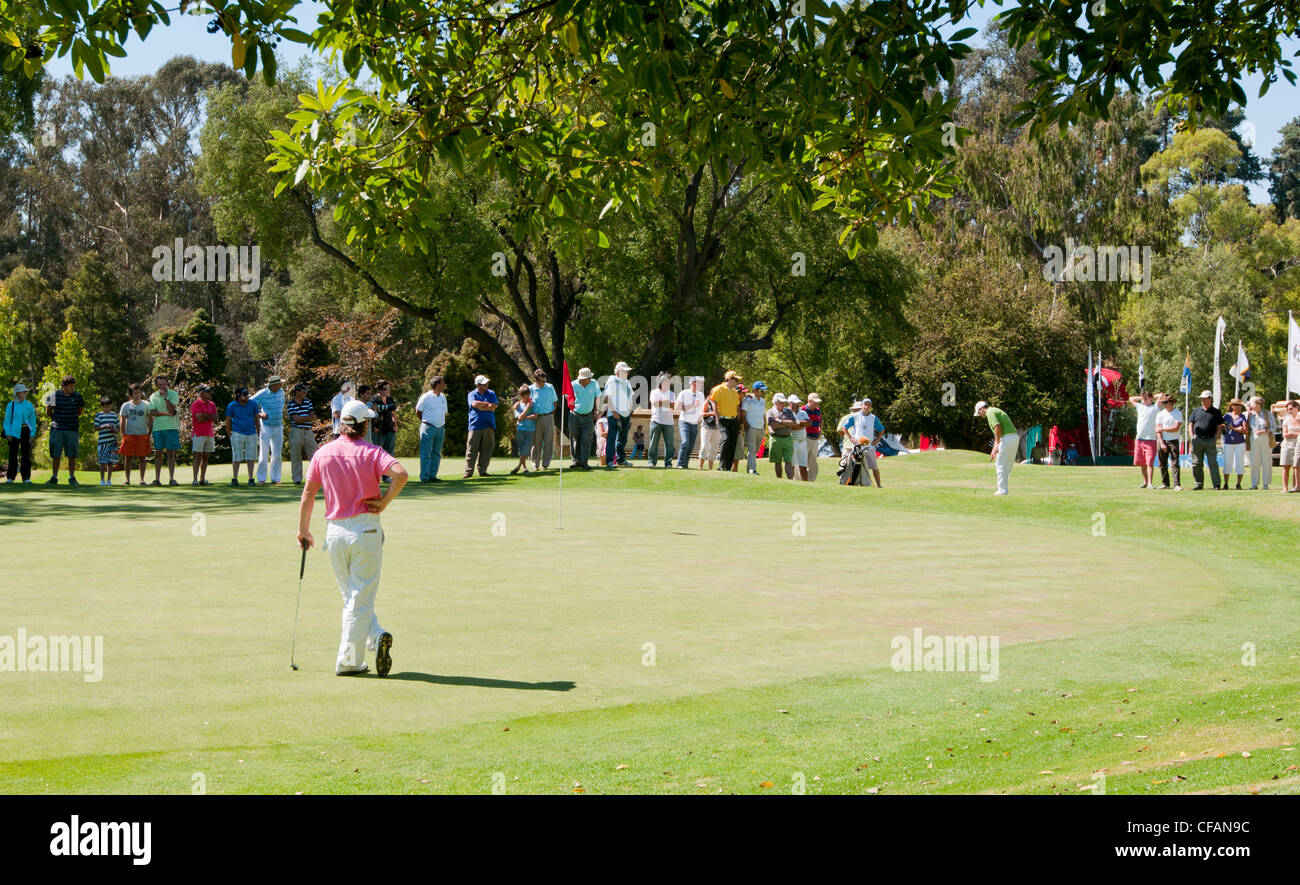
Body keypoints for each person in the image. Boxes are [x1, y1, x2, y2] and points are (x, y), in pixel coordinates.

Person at [298, 399, 408, 676]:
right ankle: (349, 660)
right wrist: (383, 502)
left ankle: (373, 636)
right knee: (359, 598)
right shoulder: (372, 452)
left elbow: (308, 494)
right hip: (366, 529)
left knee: (352, 597)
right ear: (364, 425)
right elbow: (401, 474)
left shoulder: (323, 453)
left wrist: (303, 530)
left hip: (335, 531)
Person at [44, 374, 85, 486]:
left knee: (72, 455)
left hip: (72, 429)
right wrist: (56, 420)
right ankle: (54, 478)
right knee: (56, 455)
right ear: (63, 386)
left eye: (73, 386)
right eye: (71, 386)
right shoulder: (53, 396)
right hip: (57, 429)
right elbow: (48, 412)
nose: (73, 388)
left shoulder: (78, 396)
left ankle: (72, 478)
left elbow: (79, 412)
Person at [974, 400, 1018, 496]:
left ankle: (1002, 490)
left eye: (979, 412)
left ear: (982, 408)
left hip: (1007, 438)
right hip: (1014, 437)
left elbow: (997, 427)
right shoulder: (994, 410)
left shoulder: (990, 412)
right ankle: (1004, 489)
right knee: (1007, 465)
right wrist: (996, 445)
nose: (979, 414)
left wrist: (997, 443)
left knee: (1000, 463)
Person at [251, 375, 286, 484]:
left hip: (278, 426)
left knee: (277, 454)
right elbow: (250, 403)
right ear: (273, 385)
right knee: (263, 453)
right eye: (279, 383)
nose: (281, 385)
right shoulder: (262, 393)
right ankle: (261, 478)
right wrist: (260, 414)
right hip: (266, 427)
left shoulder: (281, 392)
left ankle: (276, 478)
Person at [146, 374, 180, 486]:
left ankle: (172, 478)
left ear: (167, 384)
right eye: (160, 385)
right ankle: (157, 479)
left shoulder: (173, 394)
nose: (162, 387)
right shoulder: (153, 397)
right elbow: (152, 412)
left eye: (164, 384)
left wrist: (166, 397)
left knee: (170, 453)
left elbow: (172, 408)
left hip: (171, 427)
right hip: (158, 428)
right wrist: (167, 414)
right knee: (158, 453)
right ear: (156, 386)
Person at [1187, 390, 1224, 491]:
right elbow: (1190, 424)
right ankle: (1198, 484)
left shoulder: (1216, 412)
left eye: (1205, 399)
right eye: (1202, 399)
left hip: (1210, 440)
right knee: (1196, 463)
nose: (1202, 400)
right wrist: (1192, 436)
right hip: (1197, 440)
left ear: (1210, 399)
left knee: (1213, 463)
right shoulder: (1196, 411)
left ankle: (1216, 485)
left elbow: (1219, 426)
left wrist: (1216, 438)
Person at [225, 386, 262, 486]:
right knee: (236, 457)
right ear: (238, 396)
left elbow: (257, 419)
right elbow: (227, 421)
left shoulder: (253, 404)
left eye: (247, 394)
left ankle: (250, 479)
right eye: (244, 395)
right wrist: (230, 434)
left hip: (251, 433)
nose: (246, 397)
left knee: (251, 457)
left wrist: (258, 434)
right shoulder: (232, 405)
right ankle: (235, 479)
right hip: (237, 433)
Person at [846, 398, 885, 488]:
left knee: (874, 467)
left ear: (870, 407)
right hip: (858, 446)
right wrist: (850, 438)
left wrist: (877, 440)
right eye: (864, 404)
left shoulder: (873, 418)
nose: (866, 407)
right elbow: (845, 427)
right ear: (862, 405)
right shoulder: (855, 416)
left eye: (868, 405)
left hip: (870, 446)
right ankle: (852, 483)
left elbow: (881, 429)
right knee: (855, 465)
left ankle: (879, 485)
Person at [464, 374, 498, 478]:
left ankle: (483, 471)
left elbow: (493, 406)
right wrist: (486, 404)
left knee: (487, 450)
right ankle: (468, 472)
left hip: (489, 425)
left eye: (487, 383)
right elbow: (474, 404)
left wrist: (481, 407)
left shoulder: (491, 393)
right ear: (478, 385)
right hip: (475, 425)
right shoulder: (471, 394)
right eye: (484, 384)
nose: (486, 385)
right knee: (471, 450)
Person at [415, 375, 447, 482]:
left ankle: (432, 475)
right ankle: (424, 477)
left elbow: (444, 413)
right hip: (428, 428)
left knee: (437, 453)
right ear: (437, 384)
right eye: (442, 382)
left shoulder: (443, 397)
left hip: (440, 429)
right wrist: (426, 422)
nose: (444, 384)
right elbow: (418, 412)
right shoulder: (425, 397)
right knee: (426, 454)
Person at [602, 361, 634, 468]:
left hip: (626, 414)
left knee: (623, 438)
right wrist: (614, 412)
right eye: (625, 371)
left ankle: (621, 459)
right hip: (614, 414)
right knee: (611, 437)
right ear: (618, 371)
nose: (627, 373)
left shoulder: (628, 382)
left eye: (627, 371)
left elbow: (630, 397)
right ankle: (610, 461)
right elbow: (607, 398)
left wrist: (630, 409)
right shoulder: (611, 381)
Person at [117, 384, 151, 486]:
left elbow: (150, 419)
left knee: (142, 458)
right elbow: (122, 421)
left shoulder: (146, 404)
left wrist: (149, 432)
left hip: (142, 434)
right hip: (129, 435)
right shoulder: (126, 405)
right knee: (128, 458)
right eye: (135, 393)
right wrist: (123, 434)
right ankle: (127, 480)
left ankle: (142, 480)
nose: (137, 395)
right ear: (131, 394)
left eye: (139, 393)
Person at [708, 370, 743, 470]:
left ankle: (727, 467)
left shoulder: (734, 392)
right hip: (723, 420)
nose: (737, 382)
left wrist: (738, 420)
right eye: (736, 380)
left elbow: (737, 407)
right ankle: (721, 466)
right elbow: (714, 403)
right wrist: (718, 418)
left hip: (733, 420)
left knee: (732, 443)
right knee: (726, 439)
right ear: (729, 379)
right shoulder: (719, 389)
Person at [4, 383, 37, 483]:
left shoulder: (29, 405)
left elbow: (33, 420)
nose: (25, 393)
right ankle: (10, 477)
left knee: (25, 455)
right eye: (23, 392)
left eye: (25, 391)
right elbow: (7, 420)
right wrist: (8, 433)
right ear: (18, 393)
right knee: (13, 454)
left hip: (26, 431)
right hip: (13, 431)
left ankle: (26, 478)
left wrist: (32, 434)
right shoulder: (11, 405)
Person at [1127, 389, 1160, 489]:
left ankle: (1150, 483)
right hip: (1139, 439)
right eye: (1143, 398)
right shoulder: (1140, 407)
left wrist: (1151, 396)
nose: (1144, 400)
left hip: (1151, 439)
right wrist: (1142, 397)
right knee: (1142, 463)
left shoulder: (1155, 407)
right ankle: (1145, 482)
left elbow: (1161, 395)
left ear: (1150, 398)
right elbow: (1131, 399)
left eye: (1146, 398)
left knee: (1149, 462)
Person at [286, 383, 317, 485]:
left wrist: (302, 418)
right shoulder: (291, 404)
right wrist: (305, 417)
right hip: (296, 431)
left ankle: (316, 477)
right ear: (297, 392)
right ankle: (297, 479)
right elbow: (296, 419)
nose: (305, 393)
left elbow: (312, 416)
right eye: (303, 391)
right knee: (296, 456)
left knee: (313, 455)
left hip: (308, 431)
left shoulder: (308, 402)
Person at [569, 366, 599, 470]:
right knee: (575, 439)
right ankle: (576, 461)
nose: (590, 379)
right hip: (575, 415)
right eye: (588, 378)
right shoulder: (573, 384)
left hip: (588, 416)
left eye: (590, 378)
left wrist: (596, 410)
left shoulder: (593, 383)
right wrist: (570, 402)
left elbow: (597, 396)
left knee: (586, 439)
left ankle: (584, 461)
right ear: (582, 379)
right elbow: (567, 398)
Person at [528, 369, 558, 471]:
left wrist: (551, 414)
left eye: (544, 380)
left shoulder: (550, 387)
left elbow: (555, 402)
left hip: (548, 416)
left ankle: (545, 464)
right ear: (536, 380)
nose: (544, 383)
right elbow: (527, 404)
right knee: (536, 442)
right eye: (542, 381)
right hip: (536, 418)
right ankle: (535, 464)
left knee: (548, 441)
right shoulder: (530, 388)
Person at [190, 383, 218, 486]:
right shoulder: (196, 404)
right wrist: (209, 416)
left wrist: (205, 415)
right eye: (207, 392)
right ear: (201, 393)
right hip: (199, 434)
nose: (210, 393)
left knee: (206, 457)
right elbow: (199, 418)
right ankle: (195, 479)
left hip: (209, 434)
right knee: (198, 457)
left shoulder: (212, 404)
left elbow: (216, 418)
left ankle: (202, 479)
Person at [1154, 394, 1183, 491]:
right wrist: (1161, 442)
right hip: (1161, 440)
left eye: (1166, 402)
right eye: (1163, 402)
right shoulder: (1160, 414)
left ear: (1171, 402)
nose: (1165, 404)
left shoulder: (1178, 413)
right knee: (1162, 463)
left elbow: (1176, 428)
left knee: (1175, 463)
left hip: (1173, 440)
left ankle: (1177, 484)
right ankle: (1165, 483)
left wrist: (1163, 429)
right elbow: (1157, 430)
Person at [739, 381, 768, 475]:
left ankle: (749, 470)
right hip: (751, 428)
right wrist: (748, 426)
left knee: (755, 450)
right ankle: (753, 470)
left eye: (764, 390)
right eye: (761, 390)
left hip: (760, 429)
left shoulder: (763, 401)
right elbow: (743, 415)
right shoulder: (748, 400)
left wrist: (764, 427)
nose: (763, 392)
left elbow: (763, 416)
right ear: (755, 390)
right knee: (751, 450)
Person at [647, 373, 676, 467]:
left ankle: (668, 463)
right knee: (653, 443)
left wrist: (661, 403)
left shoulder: (672, 393)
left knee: (669, 444)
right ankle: (652, 462)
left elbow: (673, 405)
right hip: (656, 421)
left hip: (669, 422)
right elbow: (655, 403)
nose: (668, 383)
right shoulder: (654, 392)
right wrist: (665, 403)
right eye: (666, 381)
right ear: (661, 382)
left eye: (669, 381)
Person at [675, 376, 704, 469]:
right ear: (693, 383)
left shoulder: (701, 395)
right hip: (684, 422)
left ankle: (685, 464)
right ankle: (680, 463)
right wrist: (692, 406)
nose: (701, 384)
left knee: (690, 446)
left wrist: (701, 417)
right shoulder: (684, 393)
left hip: (694, 423)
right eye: (699, 383)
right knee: (685, 442)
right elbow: (677, 407)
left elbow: (701, 408)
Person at [766, 394, 796, 478]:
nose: (783, 404)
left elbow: (794, 423)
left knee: (788, 461)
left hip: (788, 438)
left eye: (784, 402)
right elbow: (774, 426)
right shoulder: (770, 412)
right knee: (777, 461)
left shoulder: (788, 411)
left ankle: (790, 480)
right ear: (775, 403)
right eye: (781, 402)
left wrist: (780, 421)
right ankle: (779, 480)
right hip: (776, 438)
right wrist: (787, 424)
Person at [368, 380, 398, 459]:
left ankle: (389, 471)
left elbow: (393, 414)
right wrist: (374, 426)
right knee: (378, 453)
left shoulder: (390, 400)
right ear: (380, 390)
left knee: (390, 454)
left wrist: (395, 425)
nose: (388, 390)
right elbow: (371, 415)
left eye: (389, 388)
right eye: (385, 389)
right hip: (379, 429)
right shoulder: (374, 400)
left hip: (390, 428)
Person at [1222, 399, 1248, 490]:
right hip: (1228, 442)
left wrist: (1233, 428)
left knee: (1240, 463)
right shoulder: (1226, 416)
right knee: (1227, 463)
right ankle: (1225, 484)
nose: (1238, 407)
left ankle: (1238, 484)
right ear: (1232, 406)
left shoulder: (1242, 416)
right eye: (1236, 405)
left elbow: (1245, 431)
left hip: (1240, 443)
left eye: (1240, 405)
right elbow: (1221, 425)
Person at [1247, 396, 1272, 490]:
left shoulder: (1267, 414)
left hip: (1265, 437)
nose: (1250, 405)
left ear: (1258, 404)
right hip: (1253, 438)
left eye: (1252, 403)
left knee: (1266, 460)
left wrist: (1264, 431)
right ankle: (1254, 483)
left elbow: (1274, 426)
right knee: (1254, 461)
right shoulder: (1250, 415)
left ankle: (1266, 483)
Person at [93, 395, 119, 486]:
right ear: (102, 406)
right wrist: (106, 426)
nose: (107, 408)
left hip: (112, 442)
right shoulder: (99, 415)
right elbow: (96, 428)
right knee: (102, 462)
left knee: (110, 462)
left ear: (111, 406)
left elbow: (118, 429)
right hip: (102, 443)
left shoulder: (114, 415)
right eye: (105, 407)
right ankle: (102, 480)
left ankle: (109, 480)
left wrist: (114, 430)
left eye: (109, 406)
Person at [510, 385, 536, 475]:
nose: (528, 396)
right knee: (522, 450)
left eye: (529, 394)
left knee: (526, 449)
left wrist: (525, 416)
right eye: (526, 394)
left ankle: (518, 467)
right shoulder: (517, 405)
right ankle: (524, 468)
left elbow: (535, 416)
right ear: (521, 395)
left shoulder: (533, 404)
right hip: (520, 429)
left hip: (530, 430)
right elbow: (519, 418)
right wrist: (527, 408)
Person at [788, 394, 810, 481]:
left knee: (803, 464)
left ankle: (805, 482)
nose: (797, 405)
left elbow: (809, 422)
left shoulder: (803, 412)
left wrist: (798, 423)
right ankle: (790, 482)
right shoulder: (787, 412)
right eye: (795, 403)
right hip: (792, 441)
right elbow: (792, 426)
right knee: (792, 465)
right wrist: (801, 424)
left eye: (798, 403)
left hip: (803, 441)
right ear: (790, 403)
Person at [698, 389, 721, 469]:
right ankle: (700, 467)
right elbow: (701, 413)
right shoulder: (708, 401)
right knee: (704, 447)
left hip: (717, 428)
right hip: (706, 427)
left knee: (714, 448)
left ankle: (710, 468)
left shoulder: (721, 402)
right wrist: (714, 413)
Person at [1281, 401, 1300, 493]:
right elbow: (1285, 434)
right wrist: (1295, 434)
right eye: (1288, 409)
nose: (1289, 411)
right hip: (1287, 445)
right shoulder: (1286, 419)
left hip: (1298, 445)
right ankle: (1285, 487)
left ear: (1297, 407)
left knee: (1296, 466)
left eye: (1291, 408)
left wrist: (1291, 433)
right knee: (1286, 466)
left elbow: (1290, 433)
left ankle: (1295, 486)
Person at [804, 393, 824, 481]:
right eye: (815, 402)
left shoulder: (817, 410)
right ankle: (800, 479)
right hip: (806, 438)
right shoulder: (803, 410)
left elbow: (820, 422)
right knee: (803, 460)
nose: (817, 404)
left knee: (813, 461)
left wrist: (820, 432)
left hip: (815, 439)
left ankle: (811, 480)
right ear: (809, 401)